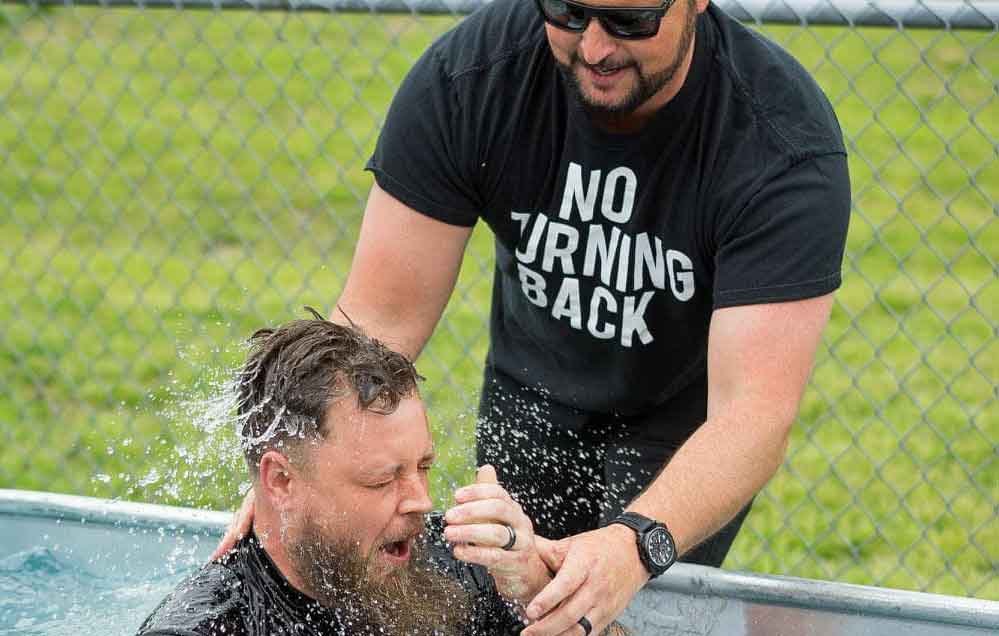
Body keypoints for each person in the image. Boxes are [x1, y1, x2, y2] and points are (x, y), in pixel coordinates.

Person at [218, 0, 852, 632]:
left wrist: (632, 547)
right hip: (533, 393)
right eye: (569, 14)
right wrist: (305, 461)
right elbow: (379, 322)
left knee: (617, 617)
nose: (596, 48)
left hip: (681, 427)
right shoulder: (474, 79)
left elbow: (753, 417)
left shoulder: (778, 142)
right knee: (496, 608)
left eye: (630, 22)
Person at [139, 314, 561, 636]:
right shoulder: (212, 625)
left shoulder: (457, 566)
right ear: (282, 481)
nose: (422, 501)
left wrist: (534, 592)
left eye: (423, 467)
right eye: (381, 480)